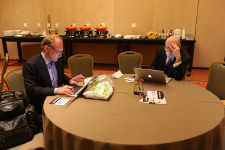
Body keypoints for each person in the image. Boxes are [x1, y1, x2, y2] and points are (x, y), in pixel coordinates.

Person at [22, 34, 85, 115]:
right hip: (42, 105)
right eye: (58, 52)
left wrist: (69, 80)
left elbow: (60, 76)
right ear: (46, 48)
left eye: (61, 52)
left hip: (58, 99)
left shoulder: (57, 59)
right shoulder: (31, 64)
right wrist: (55, 90)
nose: (60, 55)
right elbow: (31, 89)